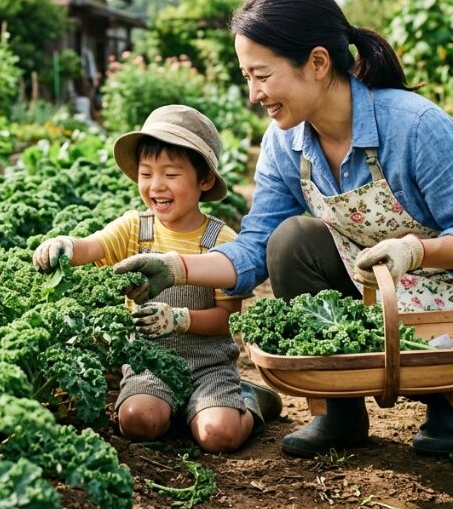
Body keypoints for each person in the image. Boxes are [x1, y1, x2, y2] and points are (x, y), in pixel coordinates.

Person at [112, 0, 453, 457]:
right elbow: (255, 248)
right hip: (367, 279)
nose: (254, 94)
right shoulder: (285, 143)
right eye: (247, 77)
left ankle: (448, 402)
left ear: (318, 63)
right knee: (291, 242)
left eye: (262, 75)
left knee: (438, 360)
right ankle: (339, 411)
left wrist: (413, 251)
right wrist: (176, 267)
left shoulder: (415, 127)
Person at [32, 104, 283, 453]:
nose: (156, 186)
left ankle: (248, 402)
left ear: (205, 180)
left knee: (218, 436)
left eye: (171, 174)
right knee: (138, 421)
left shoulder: (220, 241)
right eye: (146, 174)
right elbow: (93, 247)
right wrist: (65, 245)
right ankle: (181, 410)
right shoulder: (134, 228)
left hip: (208, 365)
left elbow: (228, 320)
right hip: (148, 362)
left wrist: (180, 319)